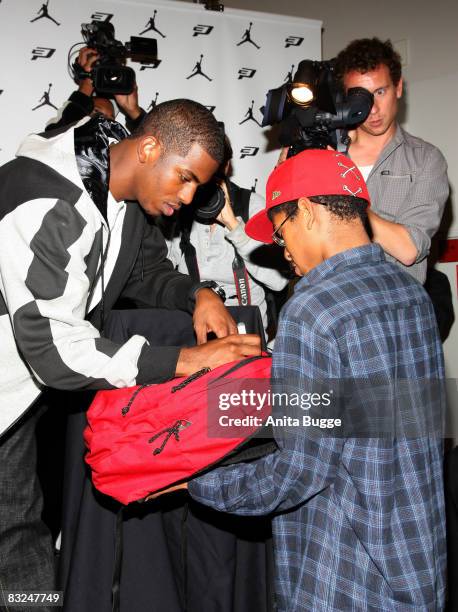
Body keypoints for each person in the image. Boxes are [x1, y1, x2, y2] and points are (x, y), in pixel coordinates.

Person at [159, 149, 446, 610]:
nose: (282, 249)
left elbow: (299, 470)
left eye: (280, 229)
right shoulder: (411, 294)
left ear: (308, 211)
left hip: (345, 571)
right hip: (416, 558)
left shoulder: (312, 310)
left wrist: (197, 483)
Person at [0, 99, 260, 601]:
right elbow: (53, 349)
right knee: (15, 539)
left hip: (31, 392)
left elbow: (143, 272)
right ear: (149, 148)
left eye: (198, 187)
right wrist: (185, 361)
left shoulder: (119, 183)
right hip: (21, 382)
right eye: (184, 178)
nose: (187, 198)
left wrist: (197, 294)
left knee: (28, 531)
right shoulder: (47, 202)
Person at [334, 37, 449, 286]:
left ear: (398, 87)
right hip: (332, 304)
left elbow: (409, 250)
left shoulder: (425, 159)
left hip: (394, 310)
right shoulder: (328, 154)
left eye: (380, 92)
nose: (372, 109)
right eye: (361, 97)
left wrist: (343, 203)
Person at [164, 136, 288, 334]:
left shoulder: (252, 206)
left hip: (245, 327)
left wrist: (234, 225)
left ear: (227, 166)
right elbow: (162, 270)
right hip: (194, 324)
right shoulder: (182, 206)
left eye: (214, 165)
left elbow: (278, 281)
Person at [46, 47, 146, 132]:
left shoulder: (116, 147)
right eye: (97, 113)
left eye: (111, 119)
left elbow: (156, 147)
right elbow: (55, 136)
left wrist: (134, 111)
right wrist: (85, 88)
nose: (105, 122)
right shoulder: (61, 131)